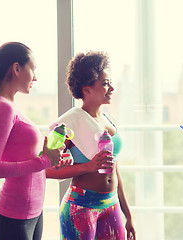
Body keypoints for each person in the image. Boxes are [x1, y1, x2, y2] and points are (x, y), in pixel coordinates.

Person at [0, 42, 65, 240]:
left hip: (31, 211)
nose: (36, 77)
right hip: (14, 218)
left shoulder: (6, 105)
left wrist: (51, 160)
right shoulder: (3, 109)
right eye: (33, 69)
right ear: (17, 68)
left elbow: (20, 158)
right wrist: (43, 161)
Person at [46, 51, 136, 240]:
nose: (111, 87)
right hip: (80, 208)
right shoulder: (67, 123)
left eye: (110, 82)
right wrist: (88, 166)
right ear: (86, 89)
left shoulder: (109, 120)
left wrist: (128, 215)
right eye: (104, 83)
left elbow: (114, 169)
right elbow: (45, 170)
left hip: (111, 206)